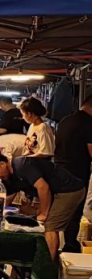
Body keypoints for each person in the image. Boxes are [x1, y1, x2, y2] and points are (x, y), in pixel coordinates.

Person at [0, 153, 86, 260]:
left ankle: (47, 266)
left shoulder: (22, 165)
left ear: (2, 164)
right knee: (27, 214)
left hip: (69, 190)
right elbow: (9, 196)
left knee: (50, 226)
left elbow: (43, 188)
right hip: (53, 192)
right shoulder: (8, 176)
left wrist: (44, 213)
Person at [53, 94, 92, 252]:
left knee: (62, 209)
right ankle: (70, 246)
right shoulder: (88, 123)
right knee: (75, 210)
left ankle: (59, 246)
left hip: (59, 170)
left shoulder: (65, 120)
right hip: (77, 171)